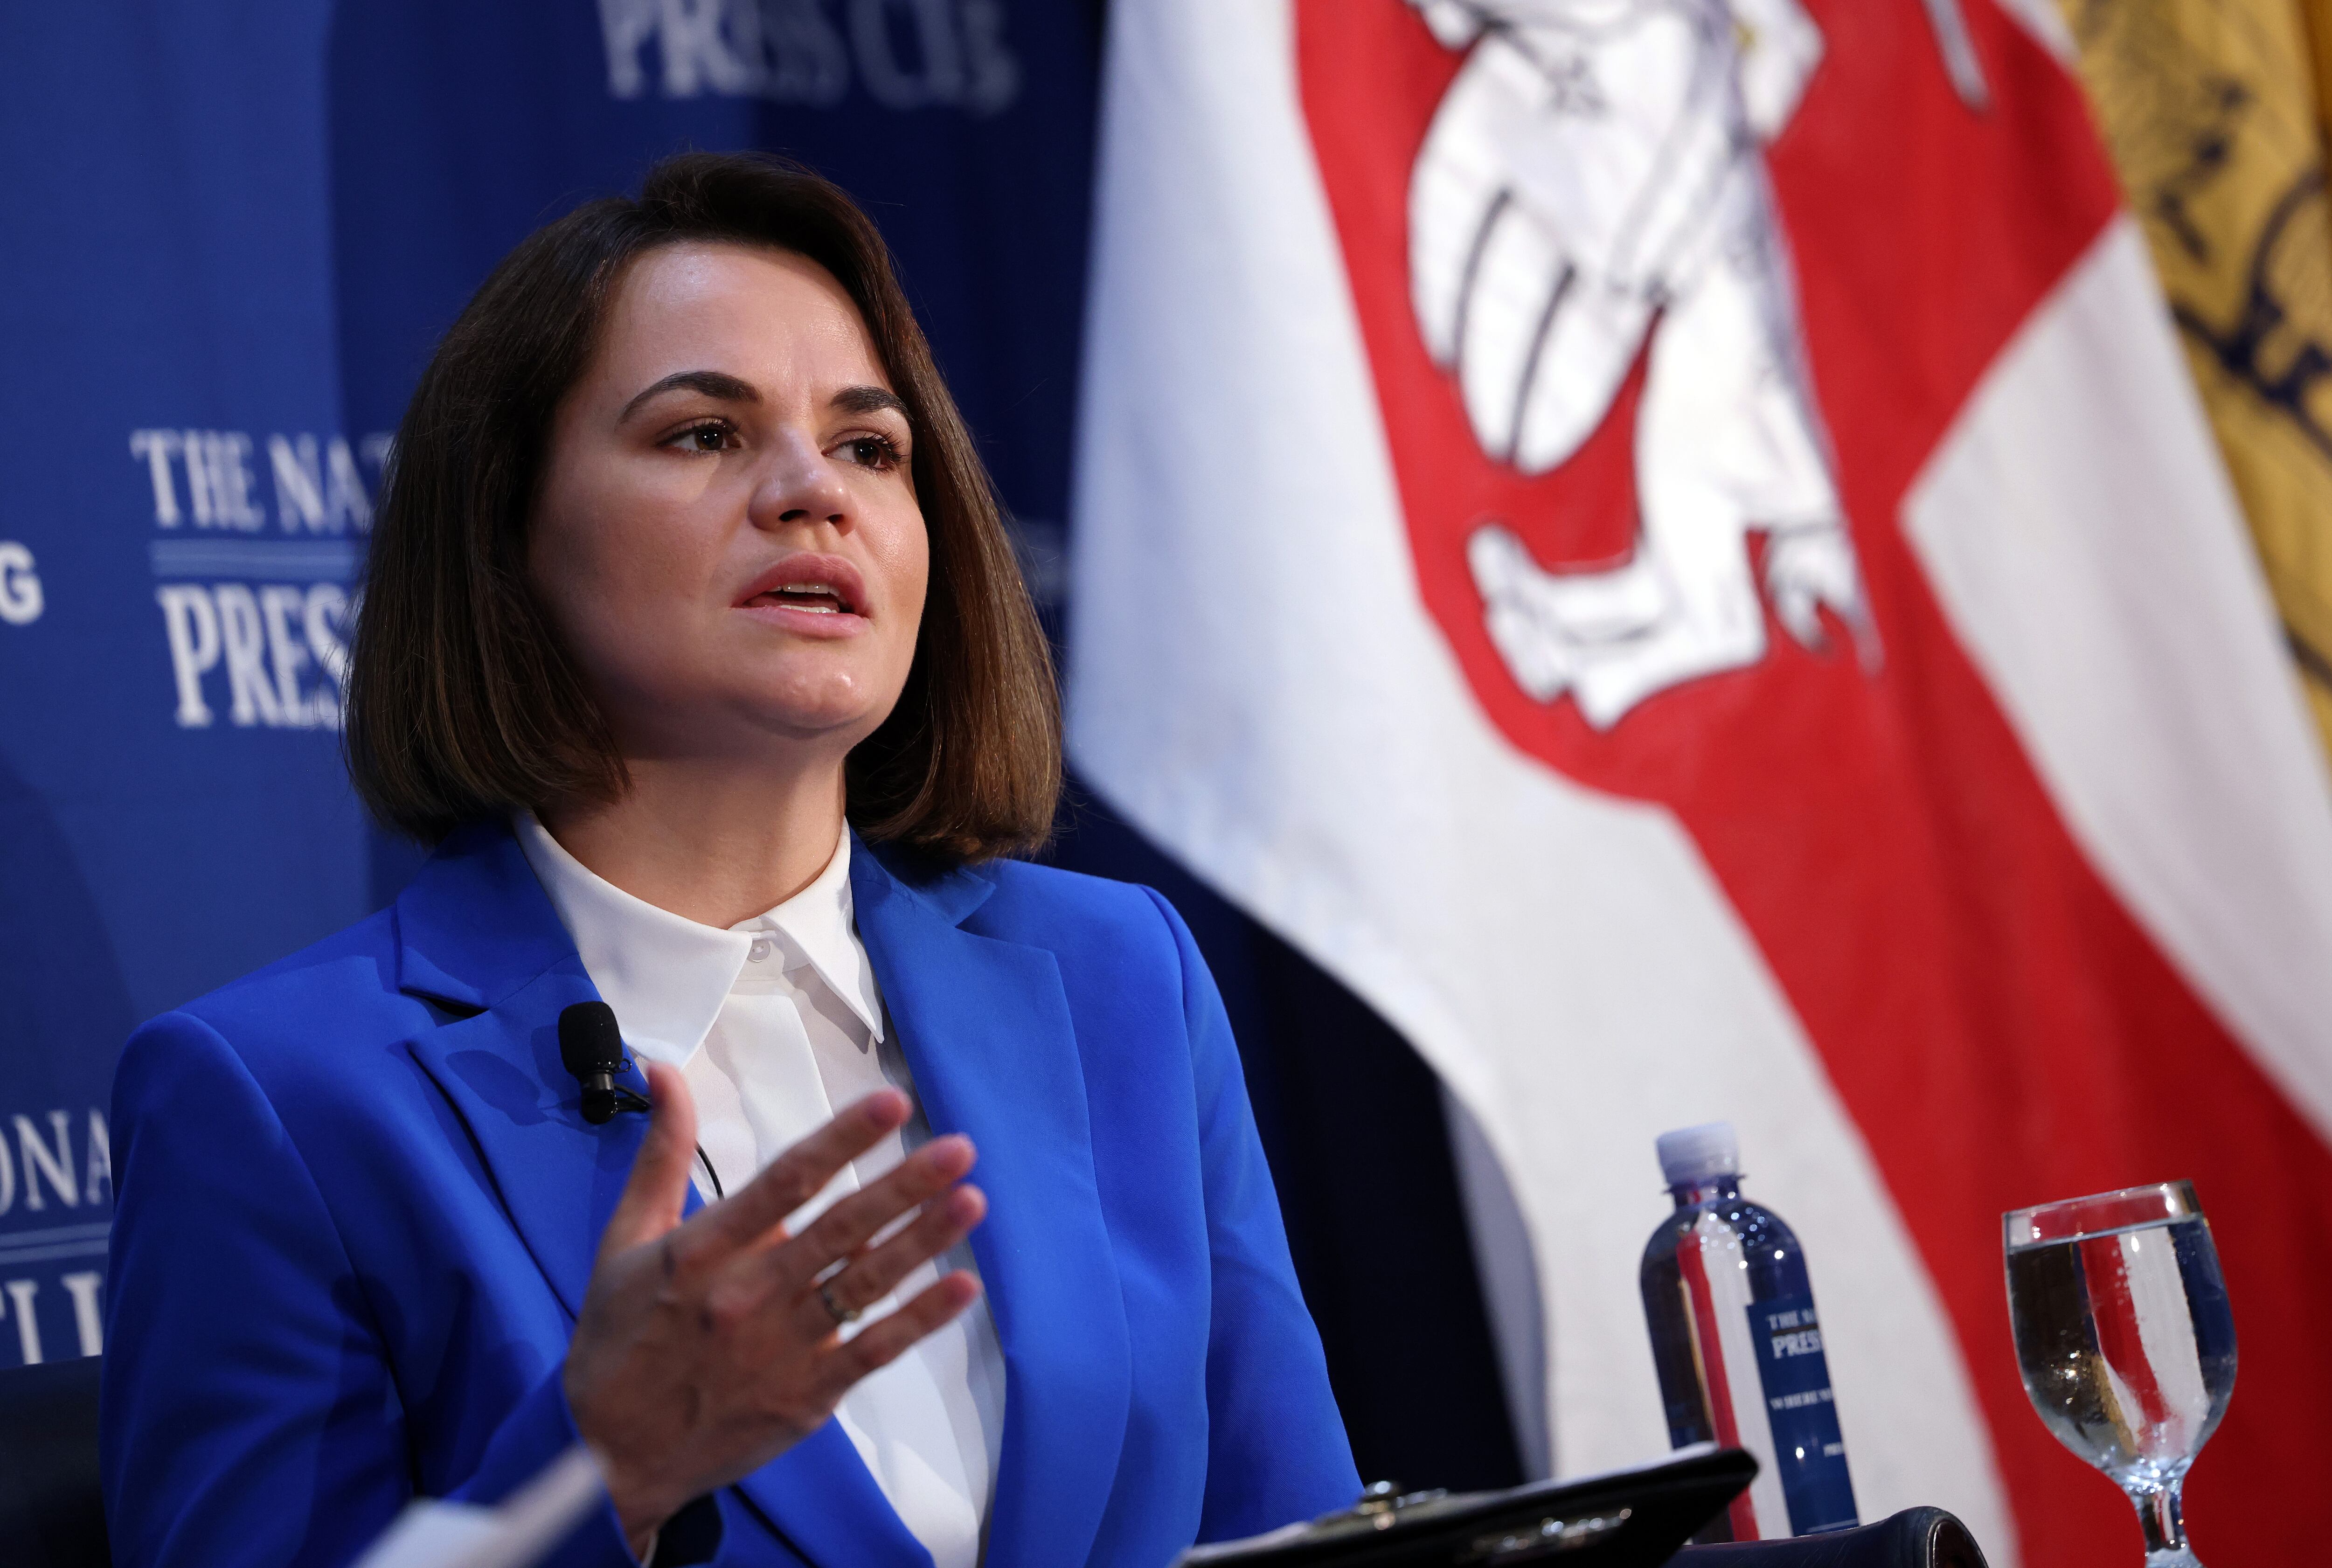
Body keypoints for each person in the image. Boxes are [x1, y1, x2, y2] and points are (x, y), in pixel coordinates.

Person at [100, 152, 1359, 1568]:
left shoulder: (1121, 977)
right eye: (704, 433)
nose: (815, 491)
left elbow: (1301, 1534)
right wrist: (601, 1473)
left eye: (871, 448)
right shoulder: (281, 1101)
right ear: (505, 534)